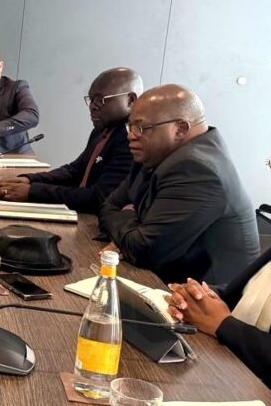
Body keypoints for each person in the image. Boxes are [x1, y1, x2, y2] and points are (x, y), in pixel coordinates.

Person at [98, 84, 259, 285]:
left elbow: (145, 250)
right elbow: (108, 206)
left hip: (204, 294)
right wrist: (132, 230)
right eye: (130, 127)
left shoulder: (197, 169)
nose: (131, 135)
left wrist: (128, 217)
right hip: (164, 277)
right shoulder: (153, 153)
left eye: (140, 127)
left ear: (180, 129)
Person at [0, 67, 140, 213]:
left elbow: (99, 198)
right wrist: (30, 179)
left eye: (100, 100)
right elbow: (74, 171)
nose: (92, 106)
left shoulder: (132, 140)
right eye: (91, 99)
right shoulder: (102, 130)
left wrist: (32, 192)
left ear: (130, 100)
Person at [166, 248, 271, 388]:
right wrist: (199, 298)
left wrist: (223, 324)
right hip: (225, 362)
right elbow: (246, 291)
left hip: (255, 389)